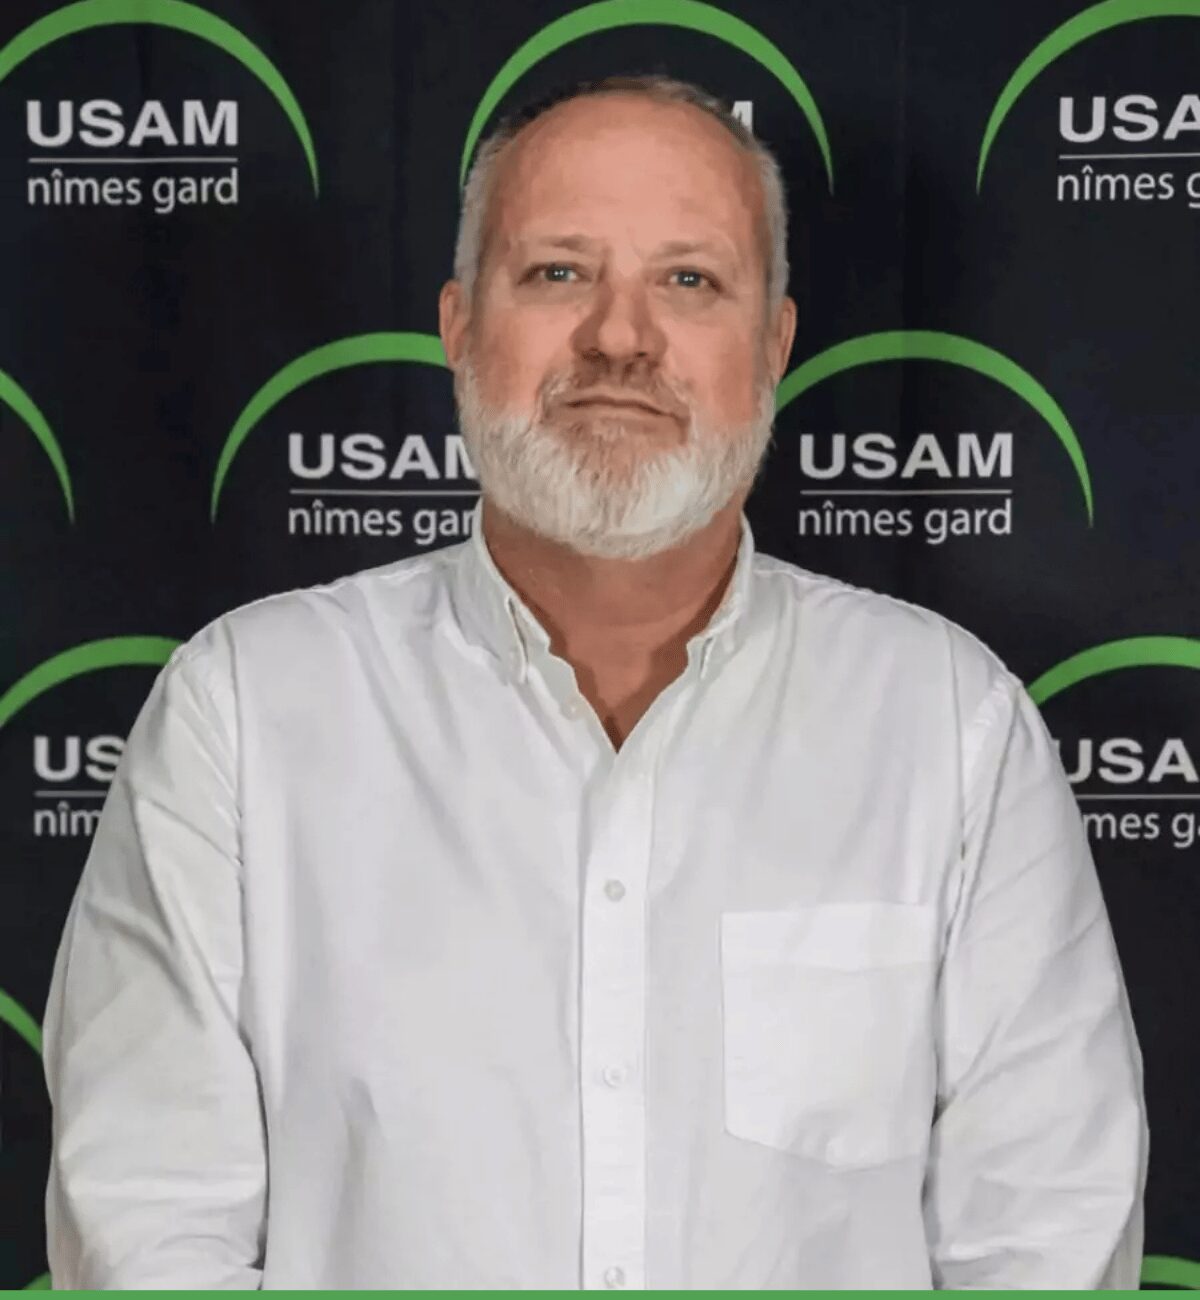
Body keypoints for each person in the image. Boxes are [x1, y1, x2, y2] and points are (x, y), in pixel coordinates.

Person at [42, 75, 1147, 1289]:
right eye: (559, 271)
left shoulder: (951, 727)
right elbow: (148, 1227)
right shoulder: (243, 715)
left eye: (690, 280)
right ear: (459, 325)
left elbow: (1048, 1233)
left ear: (774, 345)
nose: (621, 338)